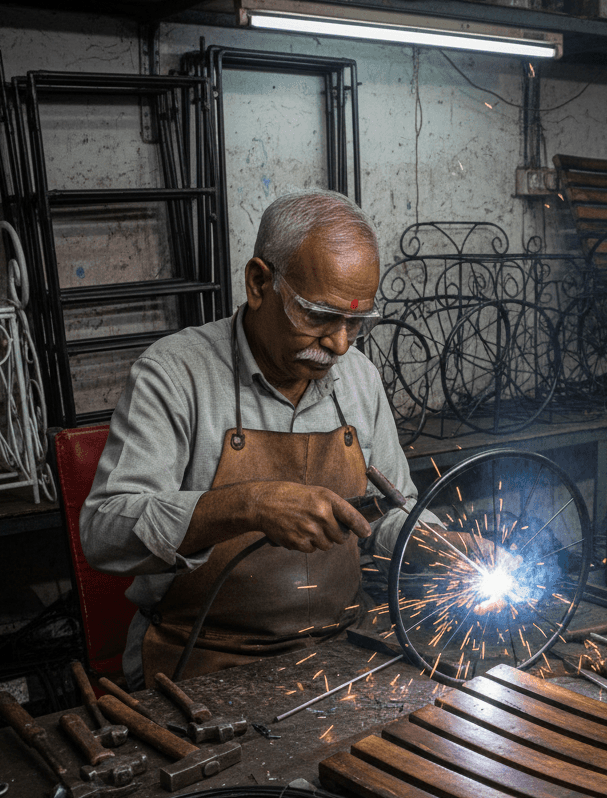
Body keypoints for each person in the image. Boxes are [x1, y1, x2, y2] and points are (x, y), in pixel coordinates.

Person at [80, 190, 421, 689]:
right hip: (201, 661)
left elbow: (391, 509)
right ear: (260, 282)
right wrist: (246, 505)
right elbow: (103, 531)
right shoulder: (175, 373)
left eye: (355, 322)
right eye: (319, 316)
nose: (339, 344)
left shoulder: (359, 378)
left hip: (338, 652)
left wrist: (433, 541)